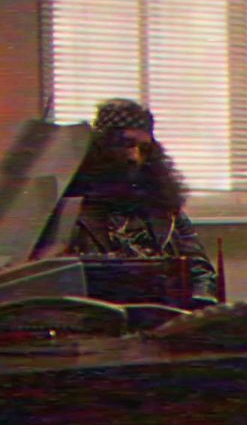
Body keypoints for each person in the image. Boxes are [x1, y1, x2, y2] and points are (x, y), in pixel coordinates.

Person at [62, 98, 219, 309]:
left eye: (144, 149)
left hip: (161, 312)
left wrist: (198, 303)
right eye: (125, 144)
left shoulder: (166, 211)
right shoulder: (70, 210)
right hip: (98, 314)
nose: (134, 157)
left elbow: (199, 271)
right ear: (101, 147)